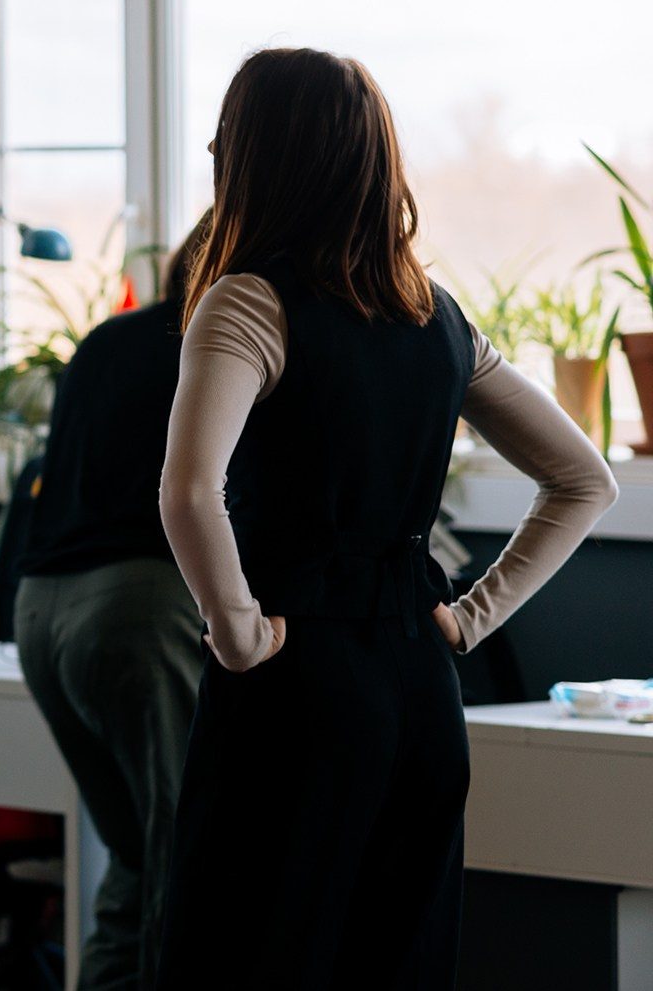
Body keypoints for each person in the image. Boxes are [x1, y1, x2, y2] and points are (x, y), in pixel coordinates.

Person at [155, 49, 617, 987]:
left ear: (257, 157)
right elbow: (585, 478)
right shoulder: (437, 315)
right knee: (395, 963)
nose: (212, 148)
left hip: (297, 682)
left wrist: (238, 632)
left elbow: (188, 491)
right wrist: (472, 616)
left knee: (242, 953)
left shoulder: (248, 299)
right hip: (419, 690)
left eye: (226, 135)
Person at [12, 211, 212, 991]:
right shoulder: (217, 346)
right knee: (179, 854)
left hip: (43, 614)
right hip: (137, 610)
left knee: (132, 851)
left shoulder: (104, 341)